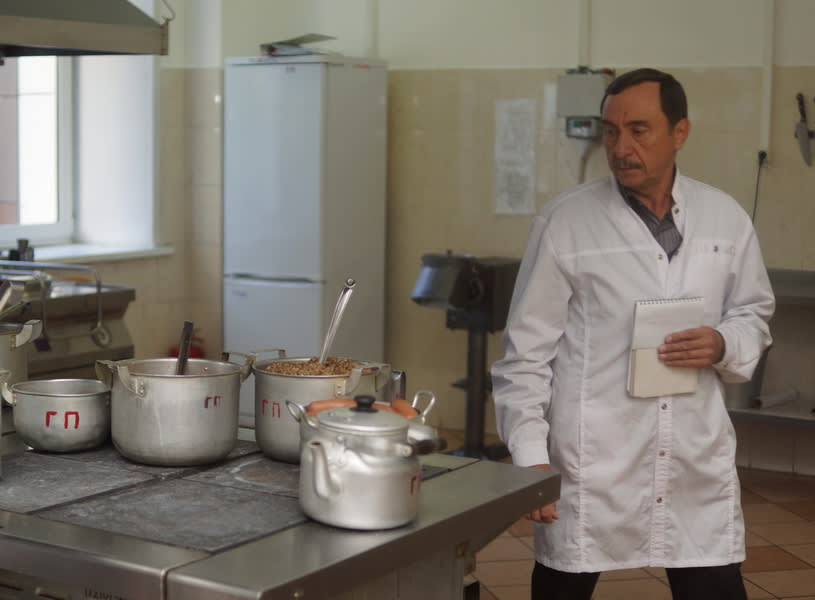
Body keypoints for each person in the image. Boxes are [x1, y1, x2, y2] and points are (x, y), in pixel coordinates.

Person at [491, 68, 775, 600]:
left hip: (692, 459)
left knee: (711, 582)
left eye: (639, 130)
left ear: (680, 132)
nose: (621, 148)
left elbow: (753, 313)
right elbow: (525, 355)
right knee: (563, 586)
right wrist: (530, 457)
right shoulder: (566, 222)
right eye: (611, 132)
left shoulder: (725, 218)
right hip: (592, 460)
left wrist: (723, 343)